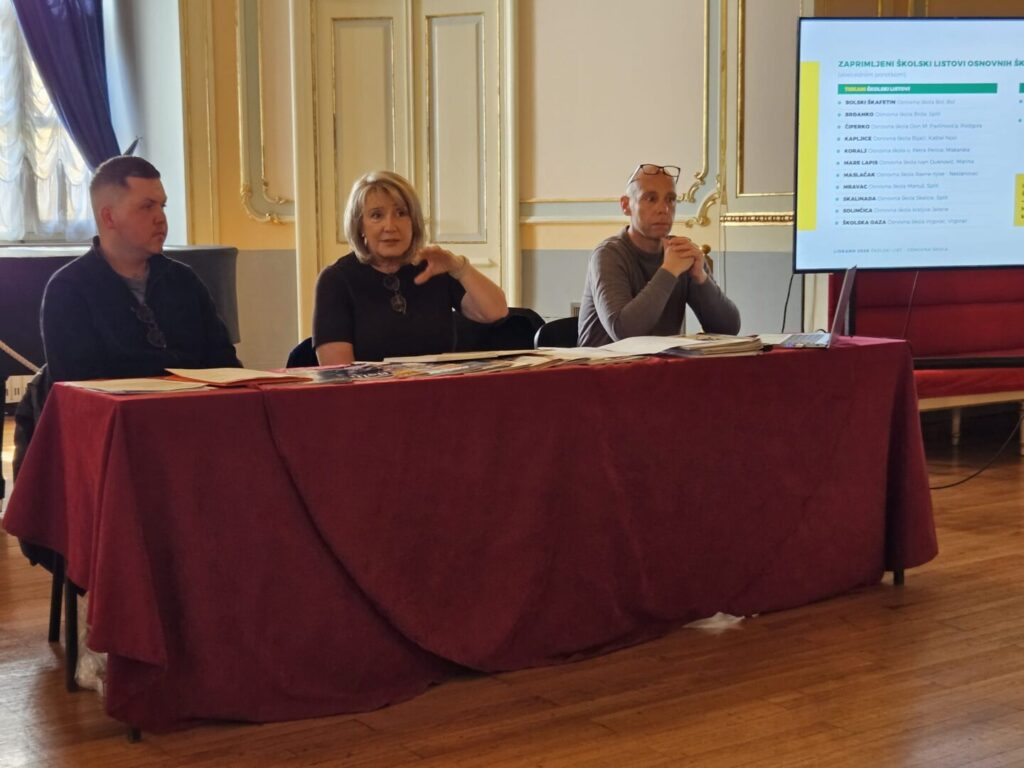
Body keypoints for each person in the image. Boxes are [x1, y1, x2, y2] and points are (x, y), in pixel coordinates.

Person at [40, 155, 241, 383]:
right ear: (109, 217)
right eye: (147, 207)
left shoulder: (184, 281)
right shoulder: (69, 289)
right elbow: (77, 387)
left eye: (162, 206)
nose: (161, 218)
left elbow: (226, 366)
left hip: (195, 404)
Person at [313, 170, 509, 364]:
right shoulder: (336, 280)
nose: (390, 226)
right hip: (371, 386)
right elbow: (338, 371)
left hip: (438, 385)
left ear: (414, 223)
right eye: (376, 215)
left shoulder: (432, 267)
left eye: (401, 213)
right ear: (360, 226)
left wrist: (459, 267)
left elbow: (495, 312)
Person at [577, 163, 740, 347]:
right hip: (606, 364)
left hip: (662, 363)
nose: (664, 209)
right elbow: (624, 333)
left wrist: (701, 278)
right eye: (651, 199)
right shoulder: (608, 254)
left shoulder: (680, 253)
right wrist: (669, 271)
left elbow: (728, 329)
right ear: (626, 205)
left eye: (670, 199)